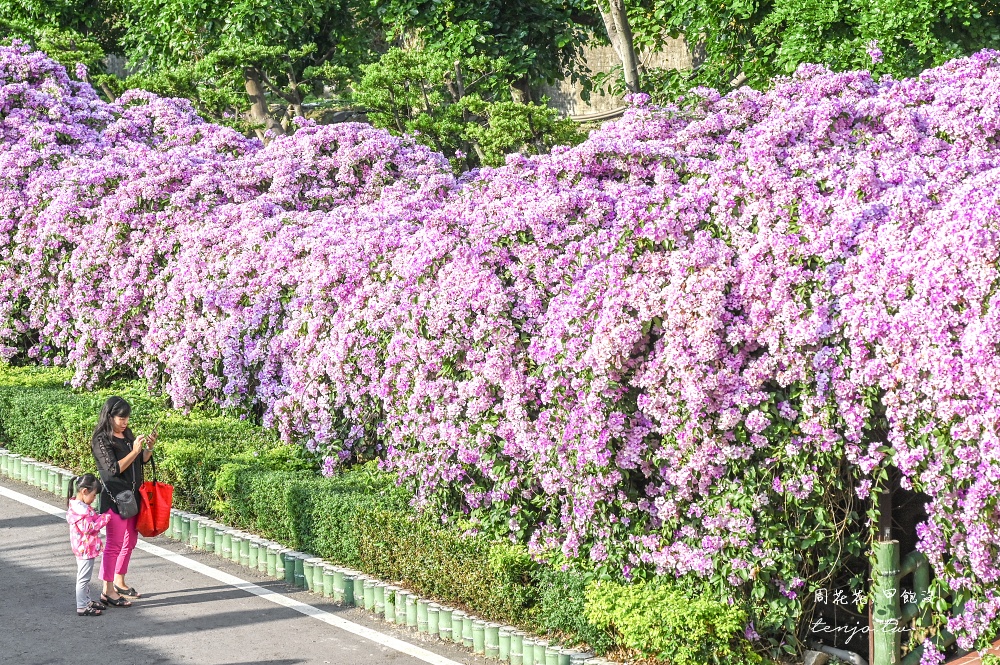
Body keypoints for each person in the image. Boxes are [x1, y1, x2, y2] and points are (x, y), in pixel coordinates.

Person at [91, 395, 157, 607]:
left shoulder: (127, 435)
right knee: (114, 544)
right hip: (115, 499)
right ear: (110, 416)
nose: (125, 422)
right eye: (121, 419)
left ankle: (119, 581)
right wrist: (135, 451)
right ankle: (107, 590)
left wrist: (147, 449)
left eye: (127, 418)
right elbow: (113, 469)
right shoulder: (101, 439)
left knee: (130, 541)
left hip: (133, 498)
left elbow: (139, 461)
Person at [66, 473, 112, 617]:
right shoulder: (81, 511)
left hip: (83, 547)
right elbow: (89, 528)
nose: (94, 499)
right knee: (83, 579)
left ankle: (86, 601)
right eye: (93, 495)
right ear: (84, 491)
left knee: (85, 577)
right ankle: (82, 606)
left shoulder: (78, 506)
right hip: (85, 548)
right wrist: (105, 518)